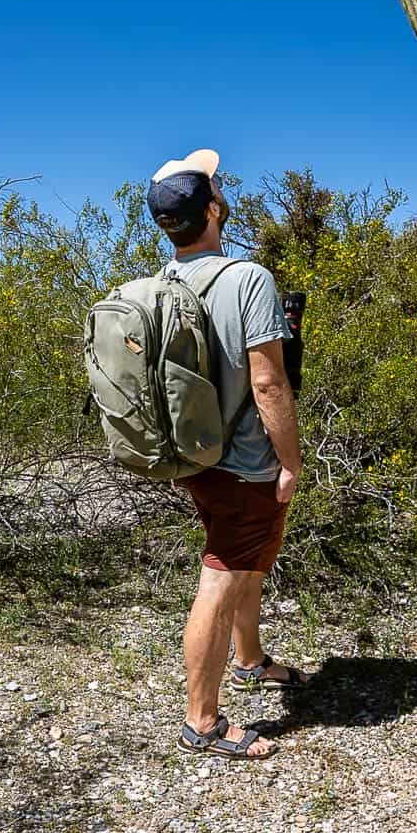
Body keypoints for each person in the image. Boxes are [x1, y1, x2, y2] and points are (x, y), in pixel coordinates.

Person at [146, 148, 309, 761]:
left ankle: (249, 659)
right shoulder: (247, 279)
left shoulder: (163, 284)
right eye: (216, 186)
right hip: (245, 464)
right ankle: (203, 722)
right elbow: (269, 382)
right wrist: (289, 461)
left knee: (246, 560)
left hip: (195, 457)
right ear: (213, 209)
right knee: (221, 576)